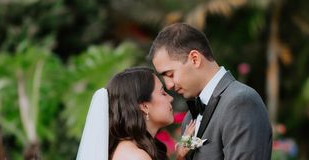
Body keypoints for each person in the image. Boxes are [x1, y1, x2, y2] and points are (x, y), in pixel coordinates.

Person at [150, 23, 273, 159]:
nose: (169, 85)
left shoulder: (241, 101)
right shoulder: (190, 118)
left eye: (170, 74)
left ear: (195, 59)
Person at [76, 66, 197, 160]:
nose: (171, 98)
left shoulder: (128, 149)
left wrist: (181, 154)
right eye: (162, 93)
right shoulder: (135, 156)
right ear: (144, 106)